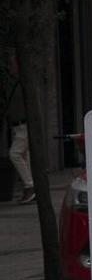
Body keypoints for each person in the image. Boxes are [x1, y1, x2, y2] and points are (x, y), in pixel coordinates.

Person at [5, 68, 33, 205]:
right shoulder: (14, 83)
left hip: (24, 125)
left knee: (14, 154)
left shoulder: (24, 83)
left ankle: (29, 186)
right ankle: (30, 188)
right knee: (23, 156)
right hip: (18, 126)